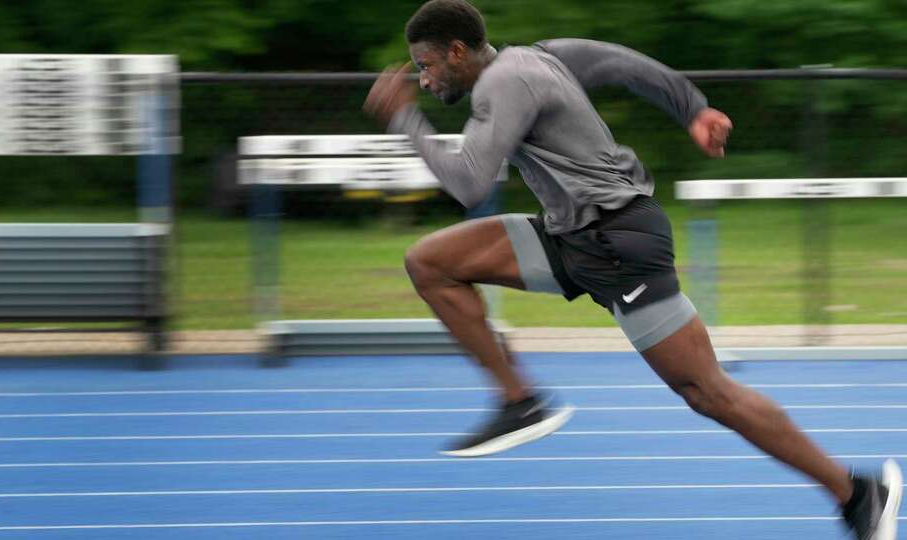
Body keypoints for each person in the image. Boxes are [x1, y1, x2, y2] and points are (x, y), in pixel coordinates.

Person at [363, 1, 901, 538]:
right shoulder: (545, 55)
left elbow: (469, 182)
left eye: (427, 65)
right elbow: (624, 63)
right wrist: (692, 107)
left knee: (709, 393)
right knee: (431, 262)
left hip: (619, 243)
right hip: (571, 235)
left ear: (458, 51)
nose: (425, 80)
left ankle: (856, 494)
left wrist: (405, 118)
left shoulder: (503, 82)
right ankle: (519, 402)